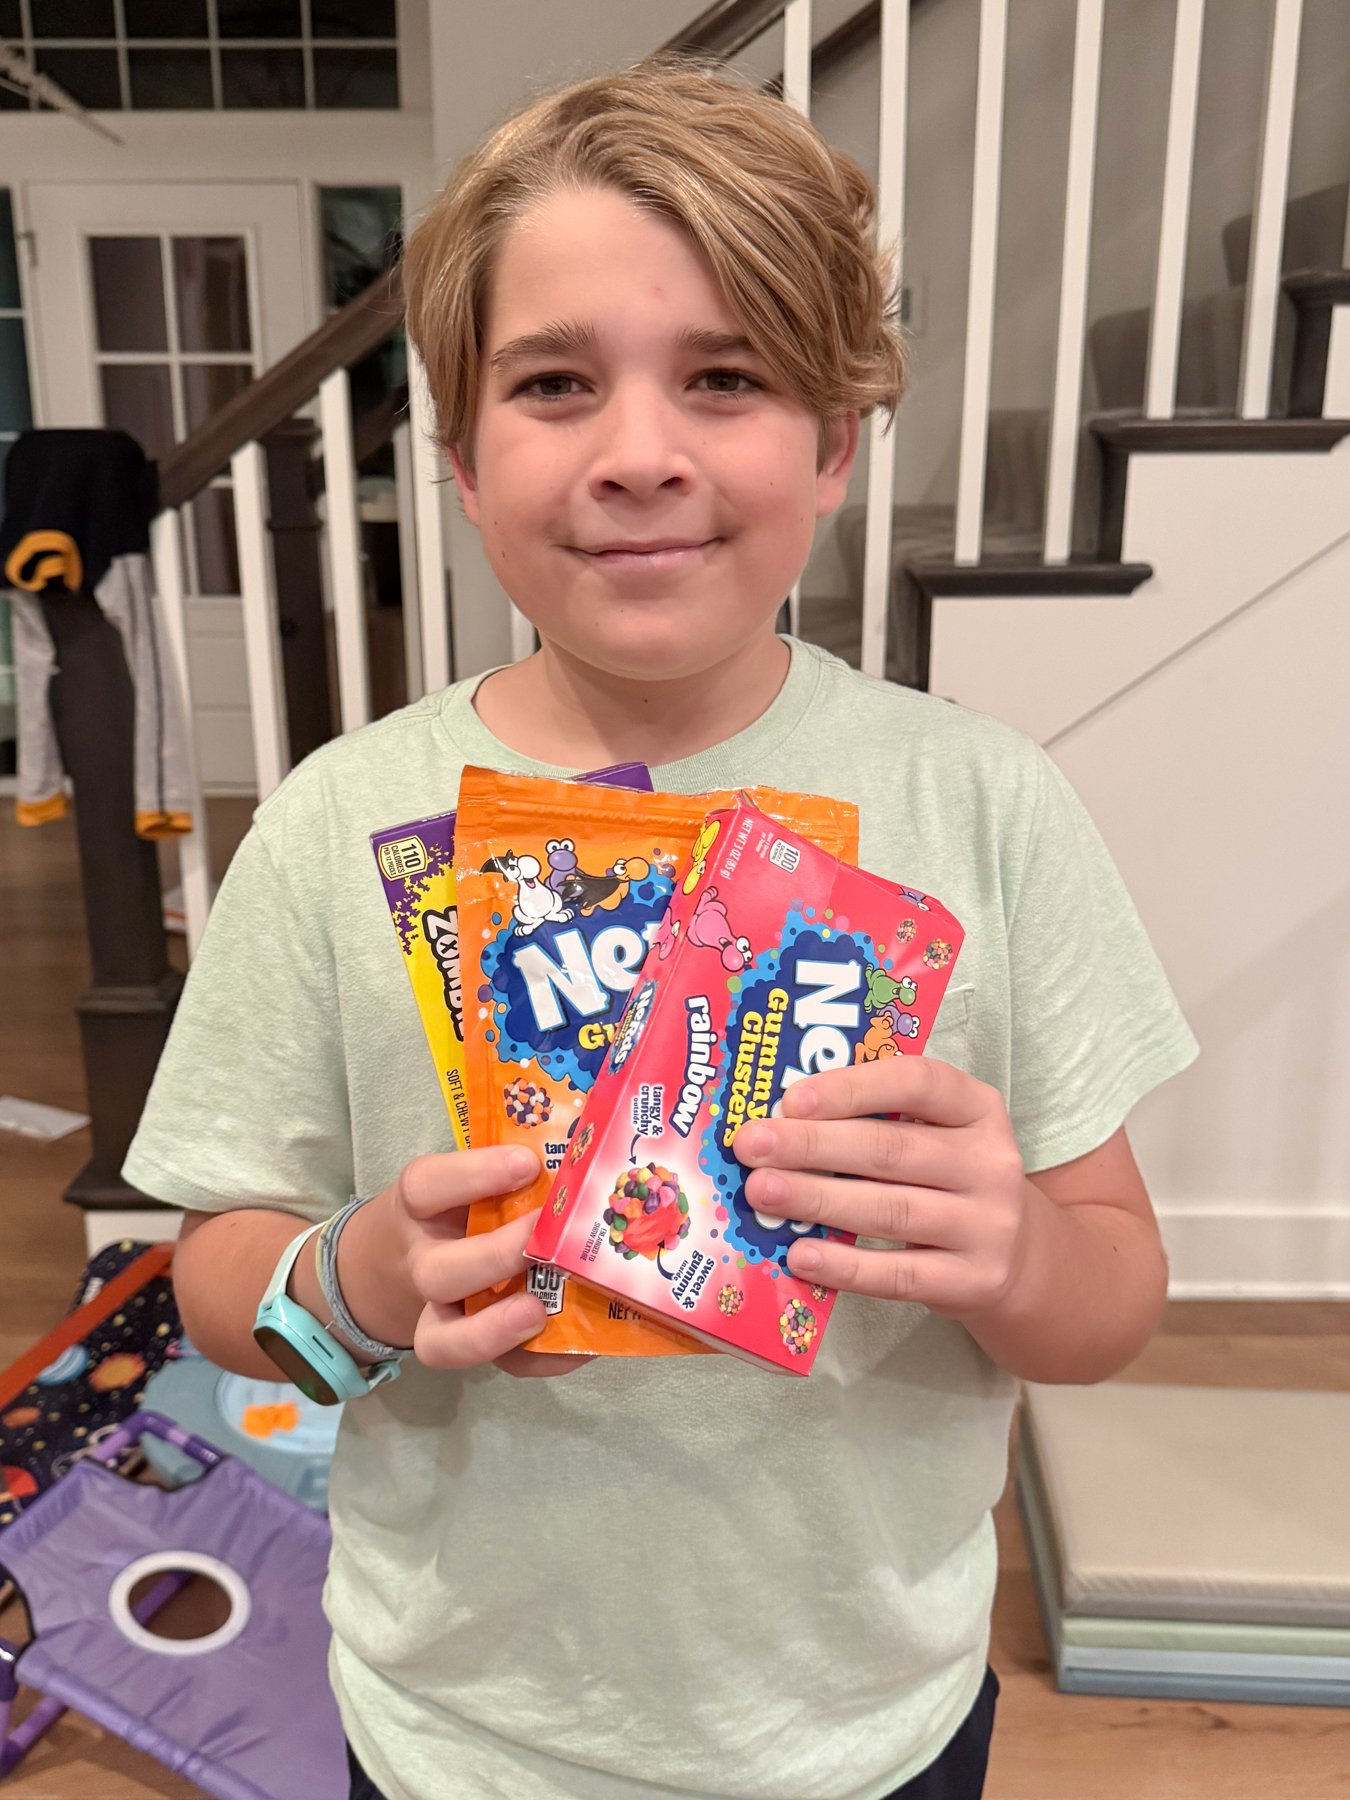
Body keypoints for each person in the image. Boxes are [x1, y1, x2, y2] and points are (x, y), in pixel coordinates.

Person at [125, 57, 1197, 1800]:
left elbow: (1112, 1294)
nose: (640, 455)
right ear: (463, 464)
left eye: (725, 378)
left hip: (866, 1724)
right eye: (554, 385)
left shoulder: (982, 807)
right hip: (458, 1730)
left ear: (835, 444)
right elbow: (222, 1285)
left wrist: (1014, 1252)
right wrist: (359, 1280)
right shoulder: (338, 826)